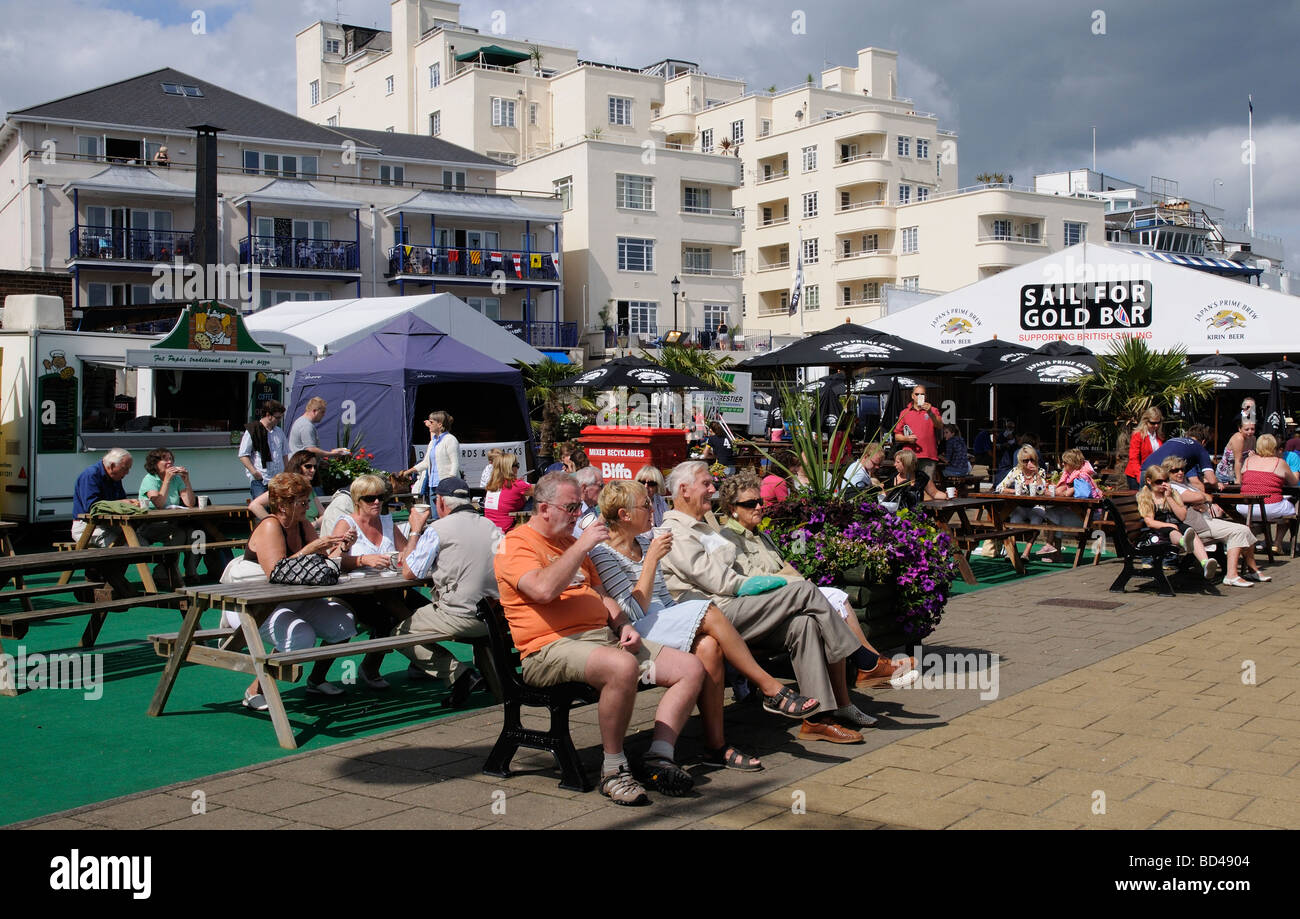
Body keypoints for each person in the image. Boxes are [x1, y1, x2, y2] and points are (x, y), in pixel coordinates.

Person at [494, 472, 706, 804]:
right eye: (571, 507)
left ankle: (659, 755)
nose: (578, 514)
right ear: (544, 507)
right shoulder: (516, 543)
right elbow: (543, 590)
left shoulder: (569, 543)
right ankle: (614, 768)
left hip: (599, 640)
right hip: (548, 648)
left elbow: (600, 593)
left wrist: (623, 624)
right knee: (621, 667)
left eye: (580, 506)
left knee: (690, 668)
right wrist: (582, 544)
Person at [590, 481, 820, 771]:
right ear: (624, 514)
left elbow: (663, 598)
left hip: (662, 620)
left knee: (709, 645)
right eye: (646, 505)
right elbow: (632, 612)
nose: (654, 509)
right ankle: (770, 687)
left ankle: (716, 746)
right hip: (637, 629)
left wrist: (686, 620)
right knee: (707, 610)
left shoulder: (646, 542)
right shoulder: (603, 554)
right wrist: (650, 562)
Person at [659, 461, 867, 743]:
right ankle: (863, 658)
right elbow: (723, 582)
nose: (712, 489)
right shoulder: (675, 532)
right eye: (706, 484)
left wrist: (774, 581)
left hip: (733, 608)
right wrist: (776, 583)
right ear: (683, 490)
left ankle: (817, 720)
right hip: (714, 615)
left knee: (803, 624)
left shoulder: (703, 527)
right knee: (804, 591)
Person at [716, 473, 918, 693]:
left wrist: (794, 576)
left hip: (782, 594)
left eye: (760, 501)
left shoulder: (760, 534)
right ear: (732, 507)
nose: (758, 507)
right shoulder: (729, 538)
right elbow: (752, 579)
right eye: (750, 504)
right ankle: (868, 664)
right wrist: (794, 579)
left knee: (834, 597)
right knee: (826, 599)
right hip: (761, 607)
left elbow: (781, 565)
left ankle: (869, 667)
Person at [237, 473, 358, 710]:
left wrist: (343, 547)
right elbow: (276, 573)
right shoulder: (270, 525)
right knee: (300, 636)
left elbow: (324, 562)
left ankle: (317, 679)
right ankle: (254, 690)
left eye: (306, 501)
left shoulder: (302, 525)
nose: (307, 507)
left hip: (294, 599)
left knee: (344, 622)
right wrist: (310, 549)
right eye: (301, 502)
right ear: (282, 505)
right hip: (257, 605)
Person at [397, 477, 497, 703]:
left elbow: (409, 572)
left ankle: (459, 674)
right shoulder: (490, 525)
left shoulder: (438, 529)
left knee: (398, 633)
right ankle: (473, 679)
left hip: (461, 614)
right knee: (423, 611)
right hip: (494, 615)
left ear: (440, 502)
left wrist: (415, 530)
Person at [329, 474, 421, 690]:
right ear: (357, 500)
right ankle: (367, 668)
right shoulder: (346, 524)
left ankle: (420, 662)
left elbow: (408, 553)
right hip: (354, 593)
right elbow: (332, 561)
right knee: (388, 617)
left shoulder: (387, 522)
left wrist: (404, 552)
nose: (377, 502)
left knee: (423, 611)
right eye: (370, 498)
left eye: (381, 497)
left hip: (389, 589)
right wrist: (362, 560)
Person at [1162, 456, 1267, 588]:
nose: (1180, 473)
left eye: (1182, 469)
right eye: (1174, 470)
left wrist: (1201, 500)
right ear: (1167, 473)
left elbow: (1208, 498)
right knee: (1239, 531)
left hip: (1206, 520)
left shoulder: (1184, 484)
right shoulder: (1172, 487)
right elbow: (1201, 496)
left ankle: (1251, 570)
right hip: (1198, 525)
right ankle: (1232, 575)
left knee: (1244, 529)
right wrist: (1201, 499)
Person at [136, 447, 209, 585]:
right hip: (149, 524)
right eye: (165, 459)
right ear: (155, 463)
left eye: (171, 459)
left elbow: (190, 503)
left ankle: (191, 571)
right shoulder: (150, 479)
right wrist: (166, 481)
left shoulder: (176, 479)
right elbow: (159, 503)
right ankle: (166, 571)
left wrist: (186, 480)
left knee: (198, 534)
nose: (169, 462)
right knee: (179, 534)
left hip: (173, 522)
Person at [1136, 466, 1219, 581]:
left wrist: (1169, 497)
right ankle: (1183, 542)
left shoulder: (1172, 493)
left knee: (1189, 530)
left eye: (1165, 480)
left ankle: (1205, 563)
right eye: (1159, 482)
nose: (1163, 484)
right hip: (1156, 532)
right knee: (1173, 531)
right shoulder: (1146, 497)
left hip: (1175, 525)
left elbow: (1182, 516)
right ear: (1149, 481)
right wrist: (1169, 525)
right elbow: (1150, 522)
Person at [1236, 433, 1299, 552]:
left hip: (1245, 507)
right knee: (1291, 508)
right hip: (1269, 507)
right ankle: (1277, 543)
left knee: (1270, 506)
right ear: (1274, 446)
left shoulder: (1248, 460)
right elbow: (1294, 482)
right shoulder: (1279, 462)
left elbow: (1244, 476)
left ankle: (1265, 541)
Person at [72, 448, 137, 546]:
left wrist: (131, 504)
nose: (127, 472)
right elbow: (92, 506)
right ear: (111, 466)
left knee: (141, 541)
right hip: (86, 526)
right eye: (125, 468)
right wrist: (122, 503)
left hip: (109, 524)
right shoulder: (91, 475)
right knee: (127, 546)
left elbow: (122, 500)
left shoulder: (115, 476)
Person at [250, 451, 325, 530]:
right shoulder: (286, 488)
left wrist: (316, 523)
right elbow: (254, 505)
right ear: (297, 467)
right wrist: (276, 526)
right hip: (293, 535)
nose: (313, 470)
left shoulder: (309, 490)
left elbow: (323, 514)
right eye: (308, 466)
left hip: (312, 534)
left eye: (315, 467)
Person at [399, 411, 461, 507]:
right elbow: (425, 463)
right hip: (433, 486)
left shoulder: (450, 439)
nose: (429, 425)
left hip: (446, 487)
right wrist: (408, 472)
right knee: (435, 517)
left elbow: (455, 463)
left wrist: (450, 482)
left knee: (447, 516)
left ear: (440, 424)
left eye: (431, 422)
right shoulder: (433, 442)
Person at [1141, 424, 1219, 492]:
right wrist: (1217, 485)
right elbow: (1211, 480)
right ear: (1203, 442)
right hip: (1159, 476)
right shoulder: (1200, 448)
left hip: (1145, 471)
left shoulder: (1174, 440)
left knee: (1144, 504)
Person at [892, 384, 943, 482]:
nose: (919, 396)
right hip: (909, 456)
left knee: (927, 486)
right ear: (912, 396)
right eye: (917, 394)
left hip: (928, 455)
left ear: (925, 396)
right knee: (907, 485)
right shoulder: (905, 412)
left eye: (922, 394)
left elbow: (940, 426)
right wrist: (907, 439)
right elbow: (897, 436)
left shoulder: (933, 410)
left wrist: (930, 413)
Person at [237, 400, 287, 499]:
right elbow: (243, 455)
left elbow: (284, 454)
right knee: (261, 509)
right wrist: (254, 472)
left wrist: (286, 473)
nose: (279, 420)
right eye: (277, 417)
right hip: (261, 480)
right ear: (268, 415)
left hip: (278, 480)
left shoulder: (279, 432)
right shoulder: (253, 429)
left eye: (280, 417)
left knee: (277, 511)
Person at [287, 397, 350, 464]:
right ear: (314, 411)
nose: (324, 415)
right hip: (300, 467)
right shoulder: (306, 426)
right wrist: (332, 454)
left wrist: (321, 462)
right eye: (322, 412)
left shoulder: (302, 422)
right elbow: (311, 450)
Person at [483, 452, 533, 532]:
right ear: (510, 468)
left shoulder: (492, 485)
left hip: (490, 530)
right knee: (536, 498)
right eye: (517, 465)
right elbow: (543, 490)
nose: (518, 468)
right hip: (508, 531)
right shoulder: (516, 484)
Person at [1125, 407, 1164, 490]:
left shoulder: (1159, 435)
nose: (1156, 425)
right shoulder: (1138, 435)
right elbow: (1133, 458)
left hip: (1153, 474)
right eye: (1153, 423)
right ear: (1146, 422)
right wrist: (1140, 476)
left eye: (1158, 422)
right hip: (1137, 474)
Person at [1216, 418, 1256, 486]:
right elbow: (1238, 460)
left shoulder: (1253, 438)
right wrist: (1238, 480)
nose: (1250, 432)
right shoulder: (1239, 438)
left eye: (1252, 429)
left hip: (1240, 474)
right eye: (1246, 429)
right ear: (1240, 429)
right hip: (1226, 475)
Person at [573, 466, 604, 535]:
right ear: (584, 488)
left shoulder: (591, 507)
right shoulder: (574, 513)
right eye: (601, 486)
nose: (603, 490)